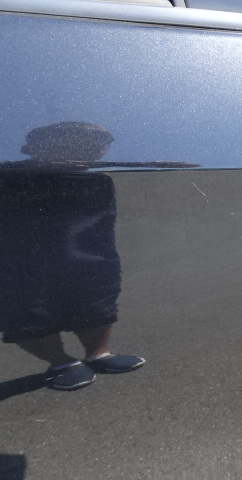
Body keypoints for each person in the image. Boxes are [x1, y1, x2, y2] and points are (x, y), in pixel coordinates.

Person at [0, 122, 145, 390]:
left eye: (99, 142)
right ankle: (61, 362)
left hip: (91, 258)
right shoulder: (9, 174)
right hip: (21, 261)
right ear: (33, 147)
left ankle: (98, 353)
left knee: (97, 302)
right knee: (29, 311)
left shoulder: (99, 180)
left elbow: (101, 225)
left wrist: (106, 263)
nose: (94, 147)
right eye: (77, 140)